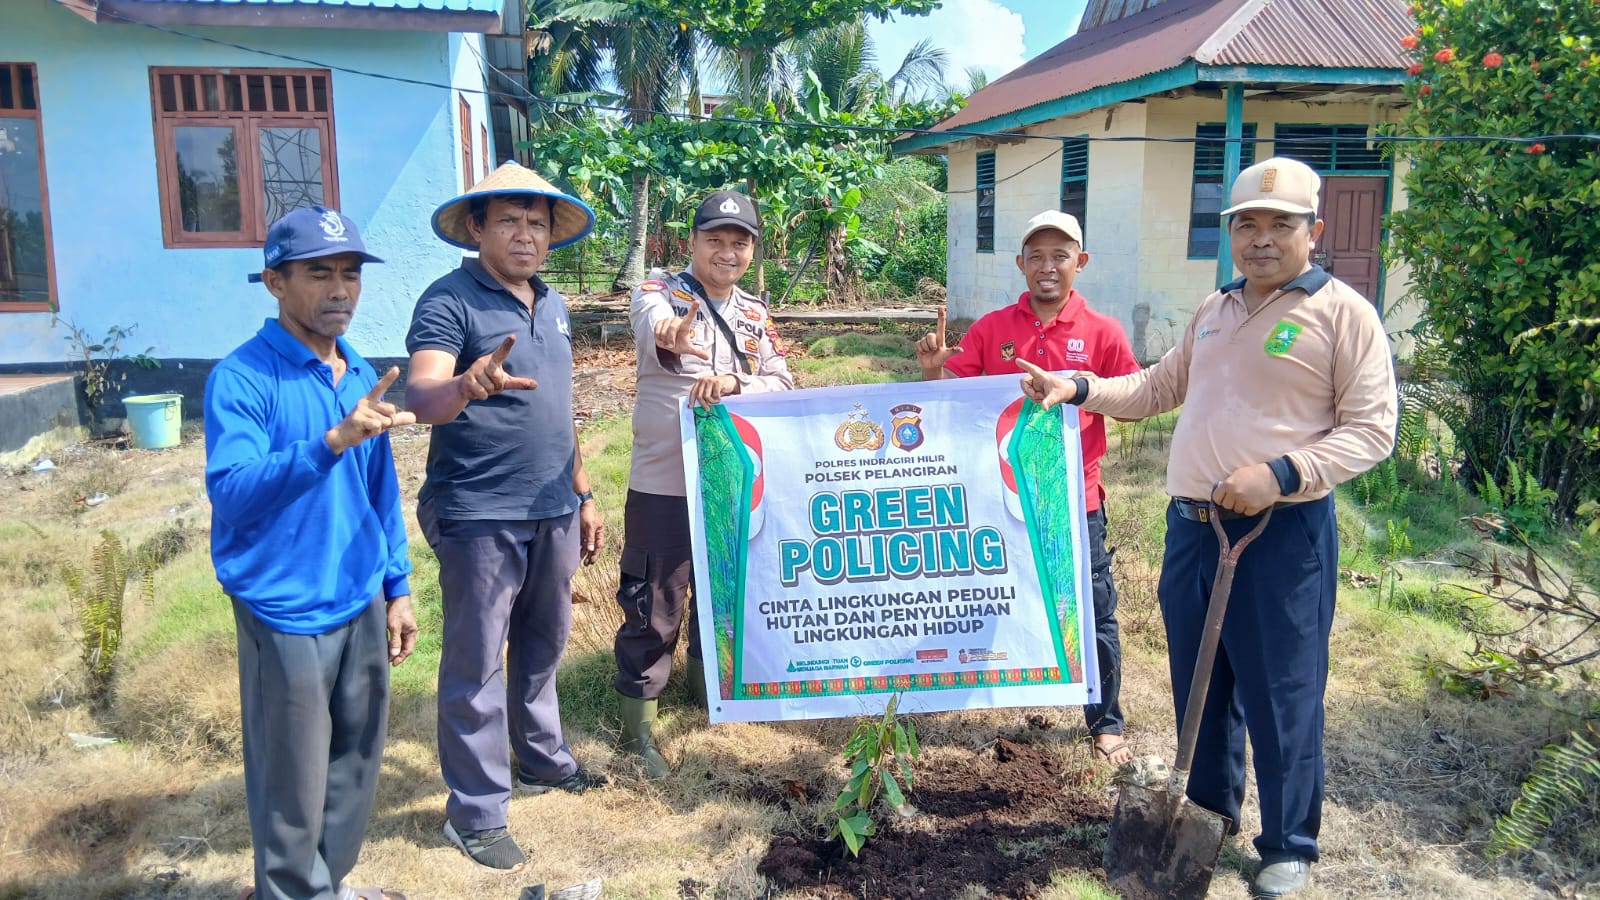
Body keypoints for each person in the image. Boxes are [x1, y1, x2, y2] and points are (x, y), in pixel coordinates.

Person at [1017, 157, 1397, 898]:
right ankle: (1213, 812)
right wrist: (1078, 388)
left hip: (1278, 537)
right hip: (1193, 528)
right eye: (1246, 224)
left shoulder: (1343, 314)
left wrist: (1280, 474)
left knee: (1281, 692)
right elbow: (1158, 386)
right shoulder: (1216, 309)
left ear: (1312, 232)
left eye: (1278, 225)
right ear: (1231, 233)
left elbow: (1372, 430)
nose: (1260, 239)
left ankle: (1289, 843)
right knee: (1202, 681)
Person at [205, 205, 418, 900]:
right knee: (293, 775)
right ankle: (294, 890)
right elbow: (233, 491)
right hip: (283, 603)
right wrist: (329, 442)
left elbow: (380, 489)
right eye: (318, 273)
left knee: (355, 763)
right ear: (275, 282)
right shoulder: (243, 378)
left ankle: (328, 881)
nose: (340, 290)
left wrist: (397, 584)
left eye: (351, 274)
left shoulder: (359, 372)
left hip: (356, 592)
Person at [403, 163, 607, 873]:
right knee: (476, 665)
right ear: (478, 228)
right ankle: (477, 814)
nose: (526, 233)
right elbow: (421, 395)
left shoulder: (551, 303)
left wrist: (583, 491)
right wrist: (465, 383)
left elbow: (560, 407)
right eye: (510, 220)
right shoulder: (448, 301)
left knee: (544, 644)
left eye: (538, 222)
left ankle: (543, 758)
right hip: (479, 510)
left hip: (553, 505)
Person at [916, 209, 1142, 767]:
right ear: (1020, 264)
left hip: (1074, 498)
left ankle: (1105, 724)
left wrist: (1082, 391)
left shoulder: (1103, 333)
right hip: (998, 499)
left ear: (1080, 264)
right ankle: (953, 691)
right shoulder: (993, 329)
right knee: (980, 593)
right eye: (1036, 257)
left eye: (1060, 256)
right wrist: (931, 371)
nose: (1047, 267)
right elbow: (952, 400)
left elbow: (1136, 401)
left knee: (1092, 609)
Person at [613, 190, 794, 777]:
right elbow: (657, 329)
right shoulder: (658, 293)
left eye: (739, 241)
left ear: (751, 250)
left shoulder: (755, 314)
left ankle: (706, 699)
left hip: (733, 480)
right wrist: (672, 333)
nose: (727, 251)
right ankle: (638, 732)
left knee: (723, 595)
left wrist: (738, 385)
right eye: (714, 238)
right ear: (690, 242)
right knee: (653, 601)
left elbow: (784, 383)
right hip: (664, 480)